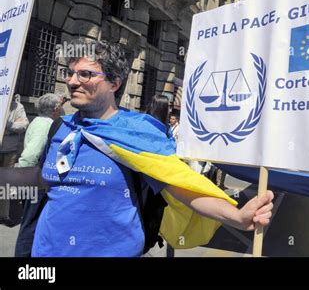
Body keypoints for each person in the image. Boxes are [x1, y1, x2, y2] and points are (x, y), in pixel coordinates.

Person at [27, 39, 273, 257]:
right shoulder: (60, 127)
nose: (71, 81)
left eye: (85, 74)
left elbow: (181, 185)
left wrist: (237, 217)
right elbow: (44, 189)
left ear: (114, 83)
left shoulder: (138, 134)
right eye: (69, 73)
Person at [0, 96, 29, 225]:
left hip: (9, 151)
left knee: (5, 184)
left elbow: (24, 124)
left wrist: (8, 125)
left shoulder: (17, 106)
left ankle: (3, 215)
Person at [17, 93, 64, 167]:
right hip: (35, 172)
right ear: (56, 109)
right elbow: (30, 155)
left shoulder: (40, 121)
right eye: (61, 106)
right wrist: (22, 174)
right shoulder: (44, 125)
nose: (62, 109)